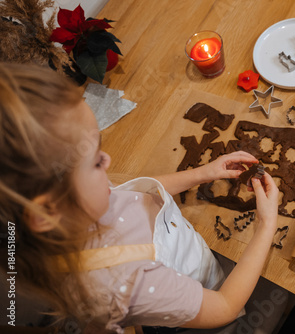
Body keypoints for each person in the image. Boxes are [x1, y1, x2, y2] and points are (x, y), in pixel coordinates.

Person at [0, 63, 280, 333]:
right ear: (45, 212)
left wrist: (202, 173)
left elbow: (137, 195)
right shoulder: (127, 283)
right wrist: (266, 224)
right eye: (96, 162)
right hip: (203, 298)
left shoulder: (71, 201)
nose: (108, 160)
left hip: (192, 254)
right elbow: (225, 307)